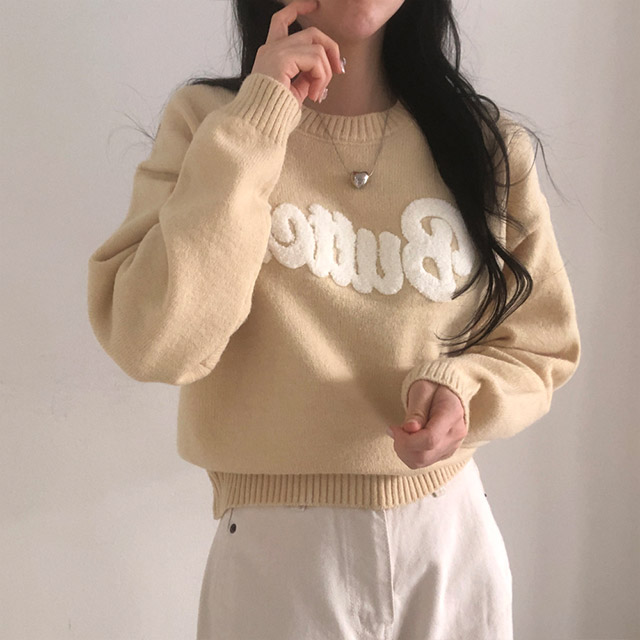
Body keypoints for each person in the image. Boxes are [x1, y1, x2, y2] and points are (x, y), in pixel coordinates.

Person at [86, 0, 581, 637]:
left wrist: (465, 392)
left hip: (449, 540)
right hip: (279, 558)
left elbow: (543, 344)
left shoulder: (485, 144)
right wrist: (259, 120)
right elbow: (154, 342)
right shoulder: (211, 124)